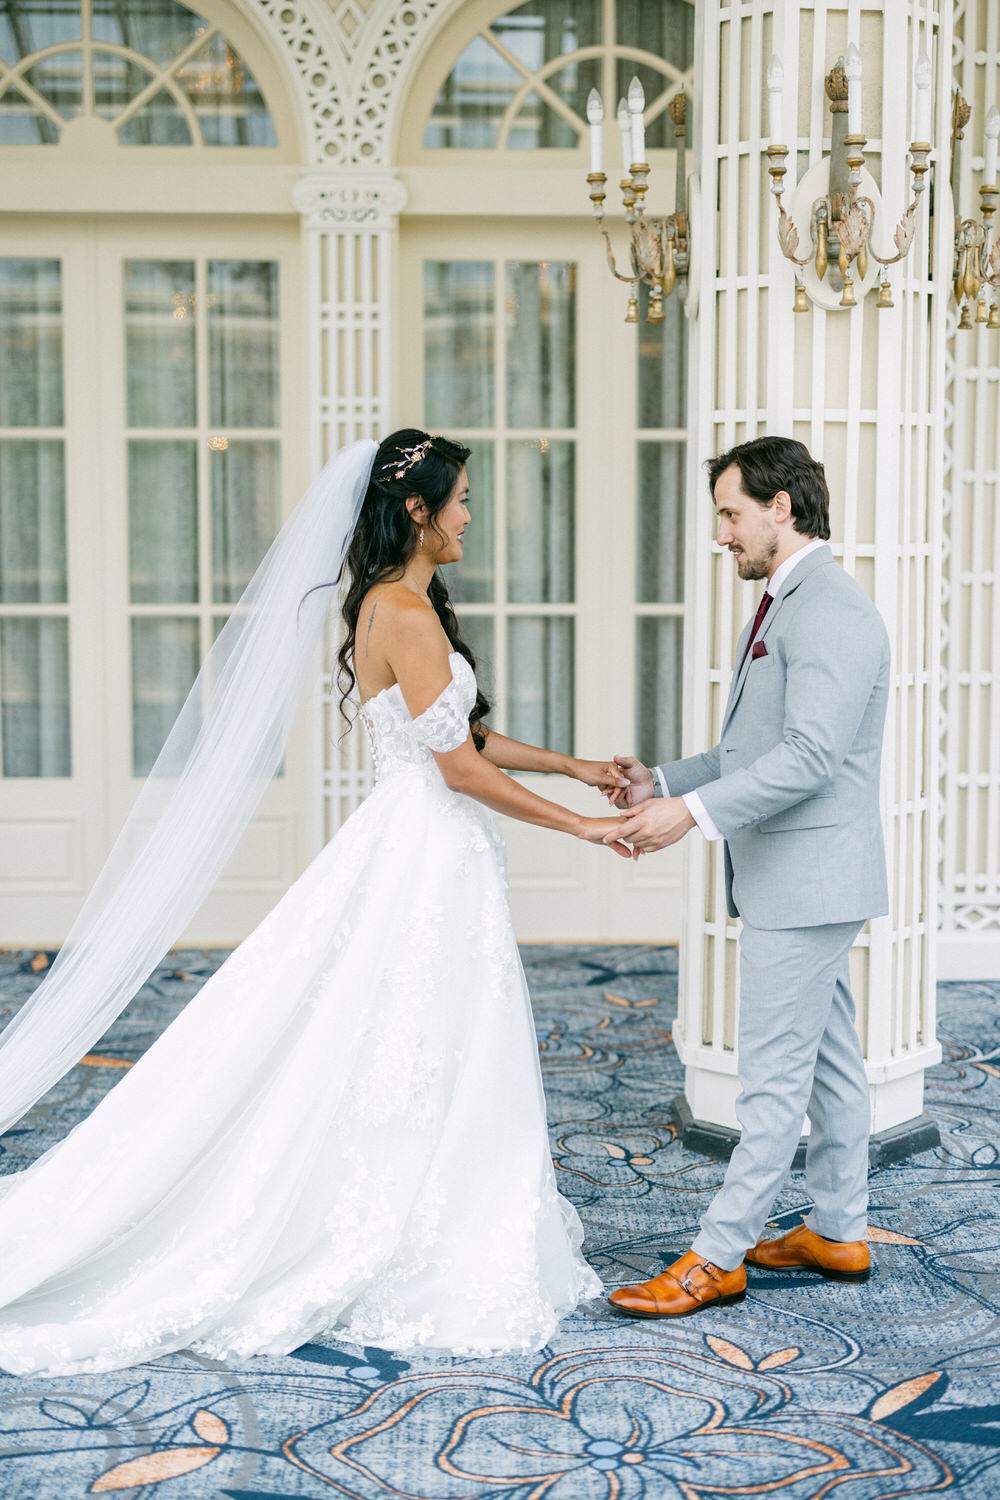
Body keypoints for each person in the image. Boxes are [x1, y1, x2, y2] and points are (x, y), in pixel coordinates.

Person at [0, 430, 627, 1376]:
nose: (468, 515)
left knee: (405, 1037)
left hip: (423, 848)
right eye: (457, 500)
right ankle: (390, 1218)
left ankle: (409, 1197)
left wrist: (576, 769)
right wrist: (580, 829)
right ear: (416, 511)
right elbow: (455, 769)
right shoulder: (404, 612)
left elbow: (464, 736)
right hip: (425, 850)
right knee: (408, 1036)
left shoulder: (395, 600)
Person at [605, 435, 890, 1319]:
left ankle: (717, 1257)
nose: (722, 533)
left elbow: (808, 759)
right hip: (801, 878)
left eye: (731, 514)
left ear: (783, 508)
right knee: (832, 1062)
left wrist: (687, 818)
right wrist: (664, 781)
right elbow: (747, 751)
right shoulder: (781, 603)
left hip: (807, 880)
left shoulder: (830, 610)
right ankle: (839, 1227)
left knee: (770, 1079)